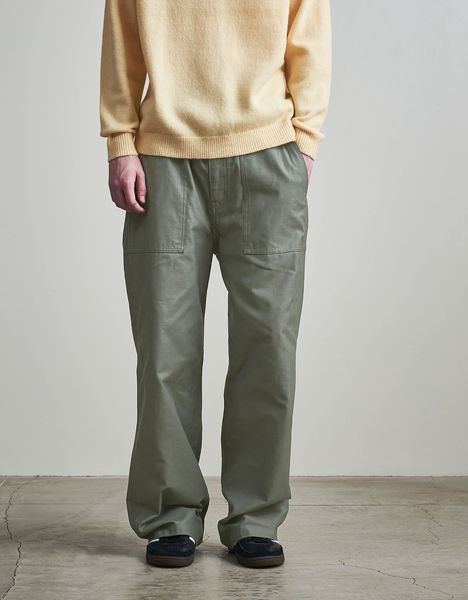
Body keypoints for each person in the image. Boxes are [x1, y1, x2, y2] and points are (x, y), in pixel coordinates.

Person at [99, 0, 331, 569]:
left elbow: (309, 41)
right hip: (163, 159)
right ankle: (171, 515)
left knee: (269, 346)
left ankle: (256, 517)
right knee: (164, 350)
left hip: (267, 155)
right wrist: (121, 142)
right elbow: (122, 44)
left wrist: (305, 140)